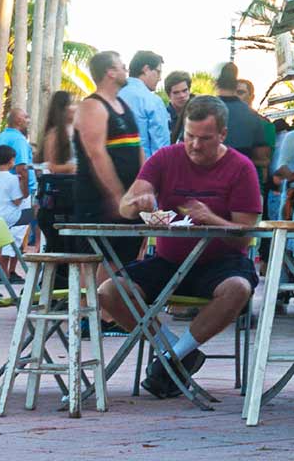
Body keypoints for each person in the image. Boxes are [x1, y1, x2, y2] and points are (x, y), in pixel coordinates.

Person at [99, 96, 263, 399]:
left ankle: (174, 357)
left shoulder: (242, 168)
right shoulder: (165, 157)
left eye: (205, 138)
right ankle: (177, 353)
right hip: (168, 260)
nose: (195, 145)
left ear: (223, 135)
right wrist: (139, 203)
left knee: (239, 288)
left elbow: (246, 235)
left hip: (222, 261)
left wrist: (211, 219)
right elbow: (125, 206)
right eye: (189, 136)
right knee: (110, 292)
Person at [73, 51, 143, 260]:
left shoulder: (123, 106)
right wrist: (115, 195)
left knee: (126, 260)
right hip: (98, 201)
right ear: (110, 72)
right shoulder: (92, 106)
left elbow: (138, 148)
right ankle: (91, 294)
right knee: (100, 260)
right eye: (122, 66)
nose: (126, 71)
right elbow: (96, 154)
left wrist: (143, 185)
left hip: (130, 200)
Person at [213, 63, 273, 198]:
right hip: (242, 185)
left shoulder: (203, 109)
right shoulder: (252, 116)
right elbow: (263, 159)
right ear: (235, 86)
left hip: (208, 186)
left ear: (215, 83)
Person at [0, 145, 33, 281]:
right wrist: (24, 183)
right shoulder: (11, 179)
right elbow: (17, 201)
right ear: (12, 161)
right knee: (32, 212)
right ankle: (23, 245)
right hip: (10, 218)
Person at [35, 90, 78, 252]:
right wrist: (73, 168)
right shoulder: (54, 134)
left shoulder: (77, 130)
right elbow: (51, 165)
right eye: (72, 104)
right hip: (61, 195)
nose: (75, 108)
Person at [0, 107, 39, 244]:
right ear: (19, 120)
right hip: (17, 191)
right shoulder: (19, 140)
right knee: (15, 238)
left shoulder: (0, 137)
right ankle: (8, 266)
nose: (28, 121)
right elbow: (22, 168)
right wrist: (25, 192)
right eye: (26, 117)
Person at [120, 50, 172, 157]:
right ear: (146, 69)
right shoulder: (152, 101)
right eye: (158, 72)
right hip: (144, 170)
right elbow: (160, 146)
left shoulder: (112, 95)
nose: (160, 78)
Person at [163, 71, 194, 144]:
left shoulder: (199, 112)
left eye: (185, 91)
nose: (182, 95)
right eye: (176, 92)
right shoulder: (162, 117)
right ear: (169, 95)